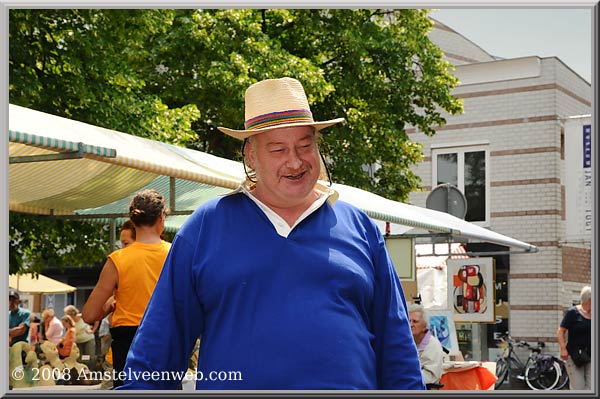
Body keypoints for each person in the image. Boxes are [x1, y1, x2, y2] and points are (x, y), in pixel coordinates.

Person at [118, 77, 425, 390]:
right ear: (250, 156)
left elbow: (397, 346)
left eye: (305, 145)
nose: (295, 161)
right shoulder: (205, 228)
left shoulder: (360, 227)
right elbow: (157, 352)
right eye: (278, 149)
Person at [82, 189, 171, 388]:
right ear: (161, 217)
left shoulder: (117, 260)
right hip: (165, 339)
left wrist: (109, 306)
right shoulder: (175, 253)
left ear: (133, 219)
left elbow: (89, 314)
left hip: (128, 345)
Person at [557, 285, 591, 390]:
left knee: (591, 387)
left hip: (591, 356)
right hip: (574, 356)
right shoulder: (573, 312)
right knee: (578, 387)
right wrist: (563, 349)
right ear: (589, 300)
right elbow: (560, 331)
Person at [408, 303, 444, 386]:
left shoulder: (432, 345)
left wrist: (406, 376)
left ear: (425, 326)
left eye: (415, 321)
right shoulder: (407, 343)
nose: (410, 325)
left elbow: (430, 377)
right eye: (408, 321)